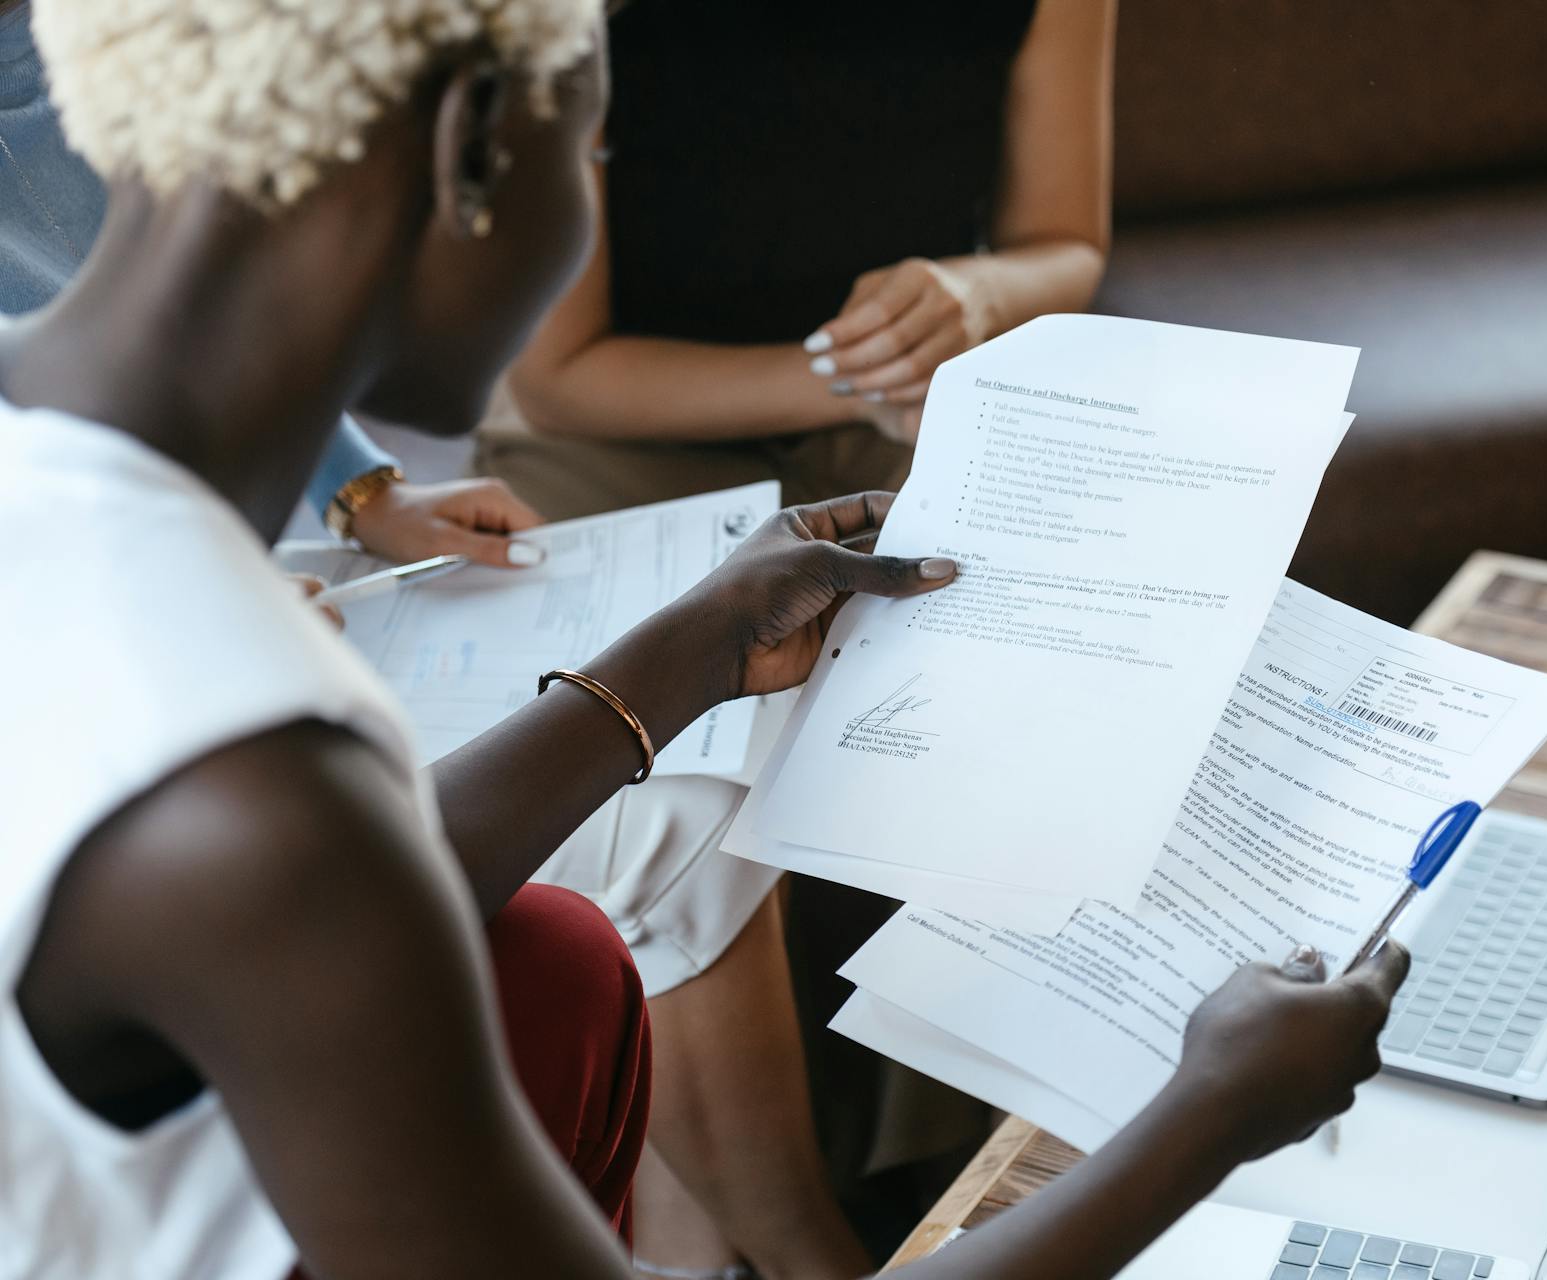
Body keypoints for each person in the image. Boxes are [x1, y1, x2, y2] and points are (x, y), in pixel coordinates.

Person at [0, 4, 1407, 1279]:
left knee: (554, 944)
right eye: (593, 138)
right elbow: (309, 894)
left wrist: (692, 645)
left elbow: (342, 902)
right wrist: (1211, 1112)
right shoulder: (244, 800)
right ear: (474, 149)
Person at [480, 7, 1116, 1270]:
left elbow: (1067, 244)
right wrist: (844, 373)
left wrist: (973, 291)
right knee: (685, 762)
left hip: (887, 418)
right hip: (622, 426)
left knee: (1028, 652)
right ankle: (793, 1240)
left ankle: (947, 1167)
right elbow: (559, 374)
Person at [0, 0, 548, 571]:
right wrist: (165, 586)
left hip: (197, 526)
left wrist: (358, 488)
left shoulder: (114, 33)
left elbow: (211, 285)